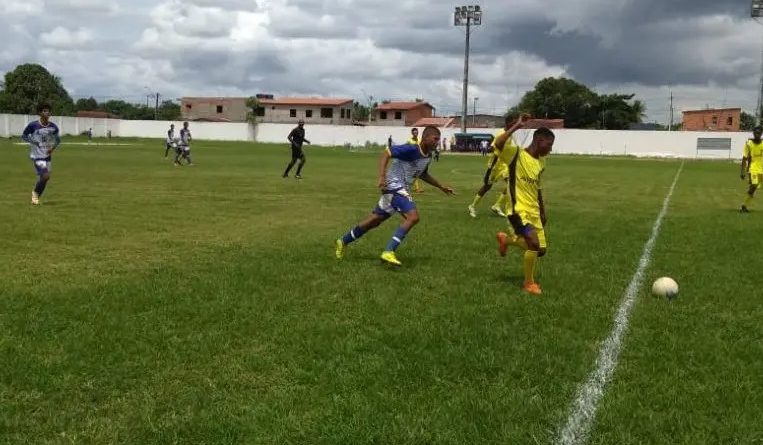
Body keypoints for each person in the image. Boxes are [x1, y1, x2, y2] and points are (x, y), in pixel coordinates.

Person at [334, 126, 454, 266]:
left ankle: (342, 241)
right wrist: (382, 177)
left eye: (438, 140)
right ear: (426, 137)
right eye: (435, 139)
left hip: (401, 188)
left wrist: (441, 187)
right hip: (393, 185)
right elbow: (386, 153)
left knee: (375, 220)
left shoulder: (428, 156)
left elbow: (423, 174)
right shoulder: (411, 149)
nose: (437, 142)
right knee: (413, 217)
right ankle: (389, 251)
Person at [494, 123, 555, 296]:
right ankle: (529, 283)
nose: (550, 150)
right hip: (517, 209)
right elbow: (499, 144)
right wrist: (517, 125)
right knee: (533, 244)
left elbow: (538, 187)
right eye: (549, 145)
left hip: (534, 211)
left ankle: (506, 240)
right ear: (539, 140)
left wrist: (542, 211)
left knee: (541, 251)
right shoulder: (516, 155)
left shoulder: (541, 162)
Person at [467, 116, 524, 218]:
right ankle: (472, 206)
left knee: (512, 184)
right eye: (514, 123)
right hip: (495, 166)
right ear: (508, 123)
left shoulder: (510, 135)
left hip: (504, 165)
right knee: (487, 187)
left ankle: (497, 205)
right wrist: (489, 171)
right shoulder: (501, 134)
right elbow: (494, 152)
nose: (515, 125)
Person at [21, 103, 61, 205]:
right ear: (40, 113)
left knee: (45, 178)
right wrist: (33, 141)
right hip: (37, 156)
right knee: (46, 176)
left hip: (47, 156)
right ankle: (35, 194)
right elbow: (24, 136)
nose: (47, 113)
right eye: (44, 111)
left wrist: (52, 148)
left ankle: (36, 196)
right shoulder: (33, 125)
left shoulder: (53, 127)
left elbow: (57, 140)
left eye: (48, 111)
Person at [740, 126, 763, 213]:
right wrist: (742, 171)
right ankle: (743, 206)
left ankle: (745, 206)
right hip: (753, 168)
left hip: (762, 169)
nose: (757, 134)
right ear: (753, 133)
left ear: (761, 134)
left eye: (759, 133)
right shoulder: (748, 143)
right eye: (756, 133)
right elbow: (744, 158)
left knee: (754, 188)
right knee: (754, 184)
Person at [407, 127, 425, 193]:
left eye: (416, 133)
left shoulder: (419, 140)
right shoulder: (409, 141)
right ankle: (416, 188)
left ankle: (416, 188)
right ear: (412, 133)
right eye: (414, 133)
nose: (415, 134)